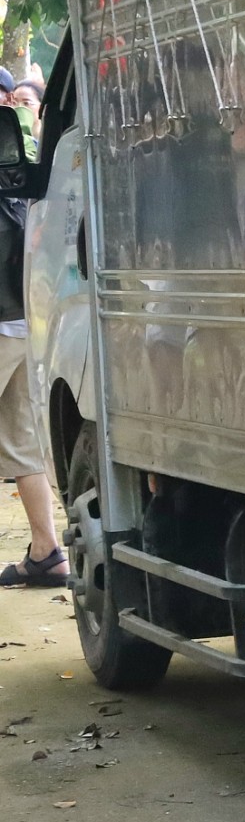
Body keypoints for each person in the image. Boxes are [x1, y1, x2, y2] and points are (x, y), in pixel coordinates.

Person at [0, 67, 61, 587]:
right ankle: (47, 551)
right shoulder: (24, 156)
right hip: (24, 320)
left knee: (22, 437)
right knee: (21, 439)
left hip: (4, 321)